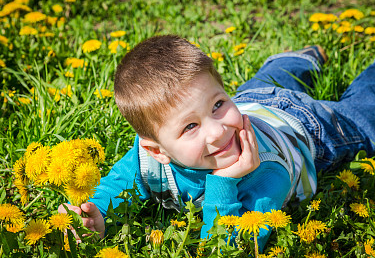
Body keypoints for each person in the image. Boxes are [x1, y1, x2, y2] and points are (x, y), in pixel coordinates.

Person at [59, 35, 375, 252]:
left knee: (363, 112)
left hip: (307, 128)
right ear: (157, 150)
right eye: (191, 126)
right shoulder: (148, 160)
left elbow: (228, 248)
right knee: (263, 85)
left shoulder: (267, 174)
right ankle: (291, 63)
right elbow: (117, 186)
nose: (217, 131)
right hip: (253, 103)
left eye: (218, 105)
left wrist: (224, 182)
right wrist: (95, 213)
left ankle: (301, 65)